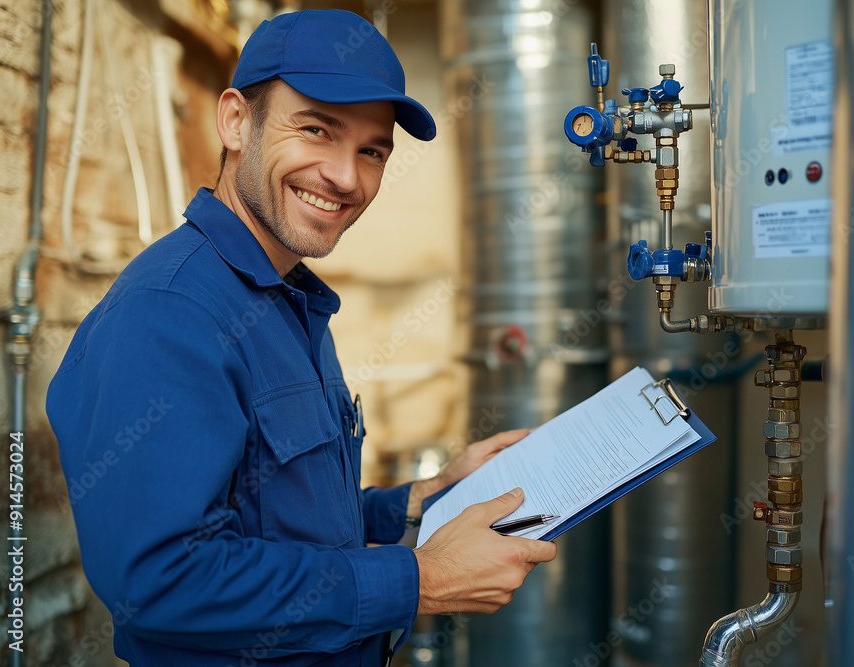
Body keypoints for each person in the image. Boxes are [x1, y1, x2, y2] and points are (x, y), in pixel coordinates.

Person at [47, 9, 556, 666]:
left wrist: (418, 501)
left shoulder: (285, 298)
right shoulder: (172, 313)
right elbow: (163, 580)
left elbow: (275, 515)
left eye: (372, 151)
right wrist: (420, 579)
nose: (347, 177)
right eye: (317, 129)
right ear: (236, 121)